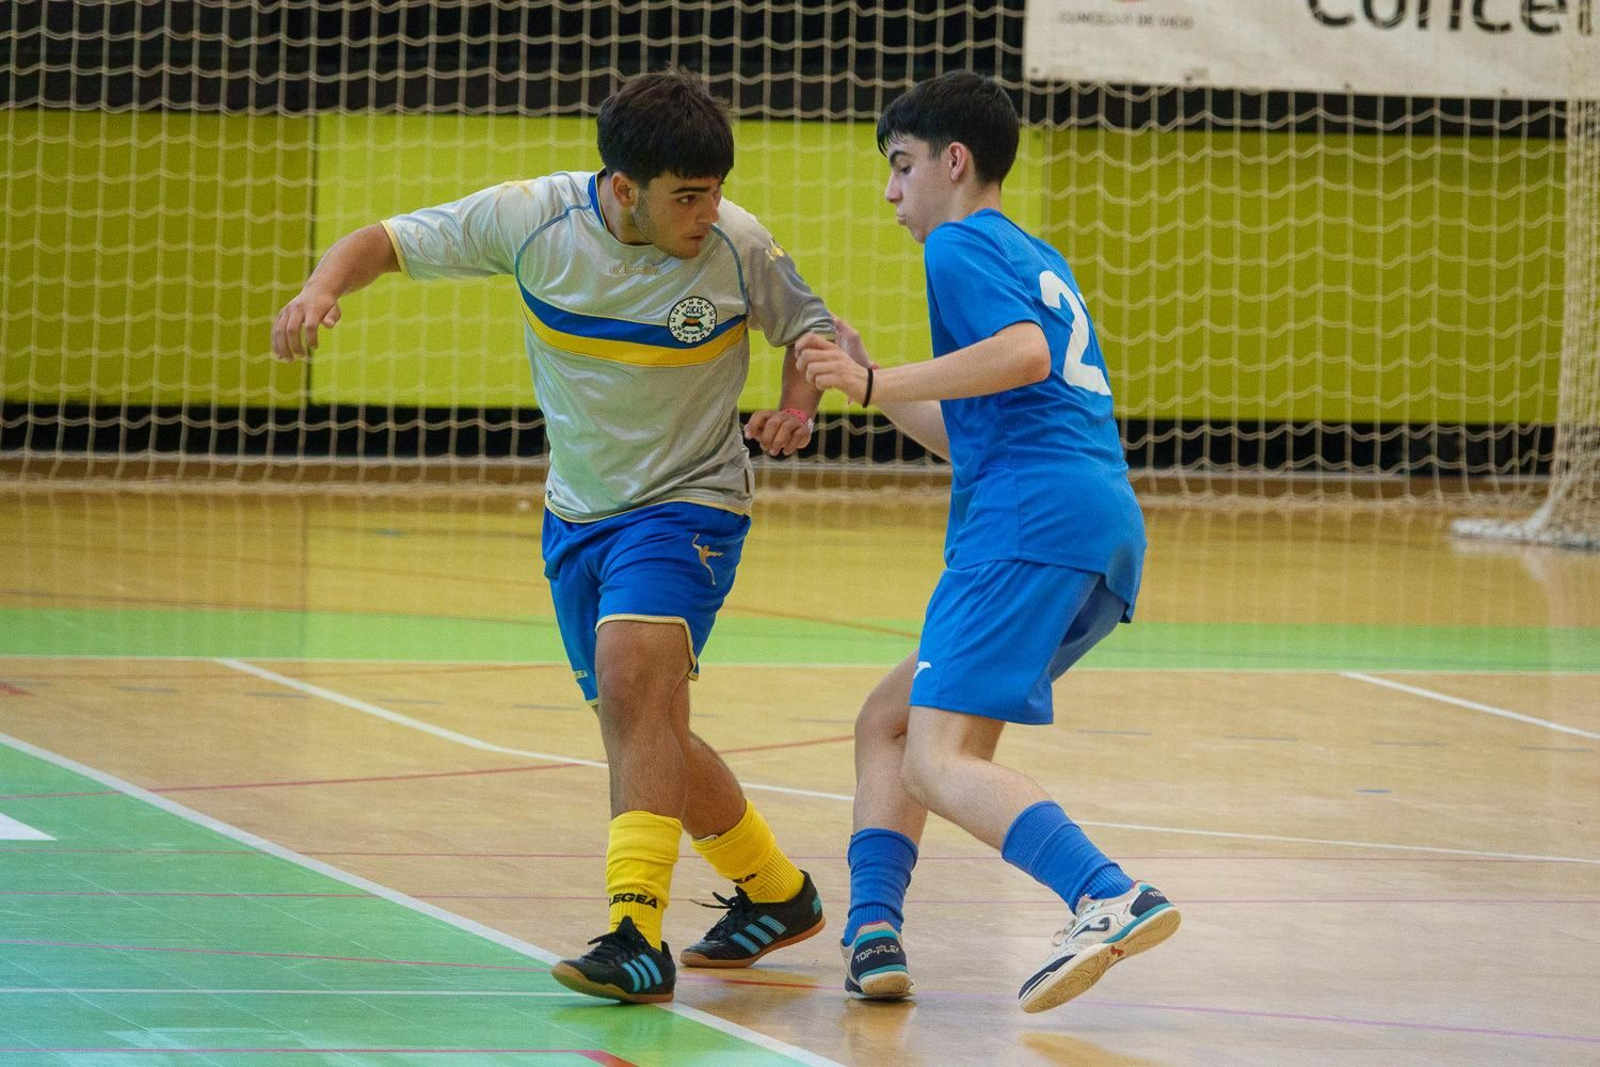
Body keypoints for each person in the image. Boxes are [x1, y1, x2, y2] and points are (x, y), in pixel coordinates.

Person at [270, 69, 831, 1005]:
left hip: (691, 503)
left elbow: (812, 328)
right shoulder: (530, 220)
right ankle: (778, 891)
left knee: (632, 686)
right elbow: (381, 242)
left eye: (715, 191)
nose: (707, 211)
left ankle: (633, 931)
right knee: (640, 721)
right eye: (686, 196)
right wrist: (321, 289)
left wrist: (796, 403)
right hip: (578, 513)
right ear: (623, 188)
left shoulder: (738, 246)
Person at [795, 71, 1179, 1013]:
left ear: (954, 162)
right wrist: (866, 380)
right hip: (1095, 529)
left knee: (938, 758)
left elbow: (1023, 357)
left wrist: (874, 379)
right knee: (891, 723)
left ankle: (1106, 894)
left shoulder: (960, 246)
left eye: (902, 165)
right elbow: (980, 418)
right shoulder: (1030, 252)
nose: (892, 191)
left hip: (1027, 528)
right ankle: (873, 934)